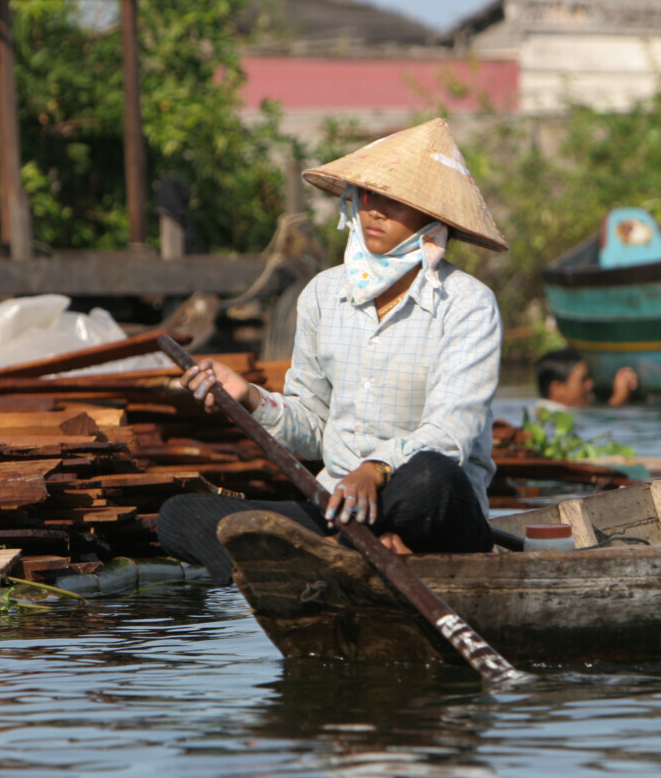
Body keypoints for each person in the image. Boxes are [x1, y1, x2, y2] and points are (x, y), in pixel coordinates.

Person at [156, 118, 509, 586]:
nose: (375, 212)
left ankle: (315, 566)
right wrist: (249, 397)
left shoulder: (468, 303)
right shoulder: (323, 295)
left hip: (432, 513)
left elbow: (452, 431)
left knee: (431, 475)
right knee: (179, 515)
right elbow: (313, 428)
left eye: (395, 200)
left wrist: (375, 470)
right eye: (367, 196)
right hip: (338, 512)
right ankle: (335, 563)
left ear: (431, 216)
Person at [534, 347, 637, 409]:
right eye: (582, 380)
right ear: (556, 389)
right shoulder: (556, 421)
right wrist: (617, 400)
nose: (590, 384)